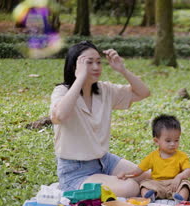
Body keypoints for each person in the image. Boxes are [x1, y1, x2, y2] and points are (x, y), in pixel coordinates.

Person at [50, 41, 151, 197]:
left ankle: (107, 180)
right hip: (76, 171)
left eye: (98, 62)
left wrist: (122, 70)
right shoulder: (62, 91)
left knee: (149, 175)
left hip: (105, 160)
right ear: (75, 66)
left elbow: (143, 93)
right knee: (130, 188)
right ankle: (103, 183)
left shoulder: (104, 90)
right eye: (88, 63)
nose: (96, 67)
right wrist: (80, 78)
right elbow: (60, 116)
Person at [119, 114, 190, 202]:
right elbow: (138, 171)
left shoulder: (181, 156)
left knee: (185, 185)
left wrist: (179, 177)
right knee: (144, 185)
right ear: (156, 141)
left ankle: (180, 198)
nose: (173, 144)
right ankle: (150, 196)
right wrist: (126, 174)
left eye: (176, 140)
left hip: (174, 184)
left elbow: (188, 171)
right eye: (168, 141)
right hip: (157, 184)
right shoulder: (152, 157)